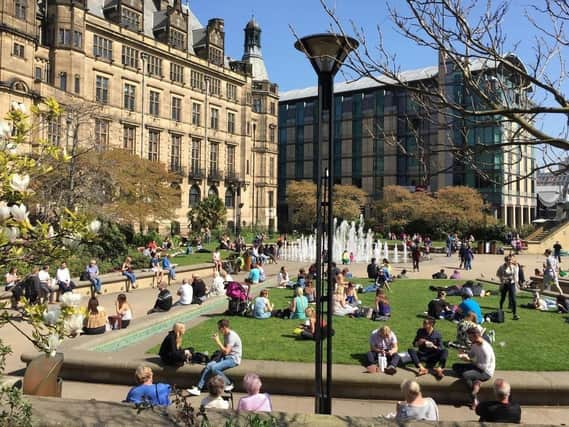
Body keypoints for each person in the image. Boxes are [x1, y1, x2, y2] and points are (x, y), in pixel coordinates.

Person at [188, 319, 242, 395]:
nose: (219, 330)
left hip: (233, 359)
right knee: (208, 366)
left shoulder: (231, 336)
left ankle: (229, 383)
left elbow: (226, 351)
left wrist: (217, 341)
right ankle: (198, 388)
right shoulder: (226, 334)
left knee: (214, 368)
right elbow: (224, 351)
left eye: (219, 328)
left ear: (223, 327)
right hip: (226, 357)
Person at [452, 327, 496, 408]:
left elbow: (483, 367)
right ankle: (476, 382)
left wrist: (469, 360)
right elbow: (471, 354)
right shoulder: (475, 344)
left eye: (470, 337)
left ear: (476, 336)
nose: (469, 339)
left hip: (485, 372)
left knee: (466, 375)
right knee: (455, 367)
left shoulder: (485, 349)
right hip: (477, 366)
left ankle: (474, 399)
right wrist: (463, 353)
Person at [496, 255, 520, 320]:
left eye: (510, 260)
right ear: (505, 261)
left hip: (511, 284)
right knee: (503, 297)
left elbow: (515, 276)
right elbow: (498, 274)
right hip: (505, 284)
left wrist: (517, 284)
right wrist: (504, 279)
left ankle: (515, 314)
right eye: (508, 261)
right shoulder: (502, 267)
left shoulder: (513, 267)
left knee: (514, 299)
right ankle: (500, 308)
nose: (510, 262)